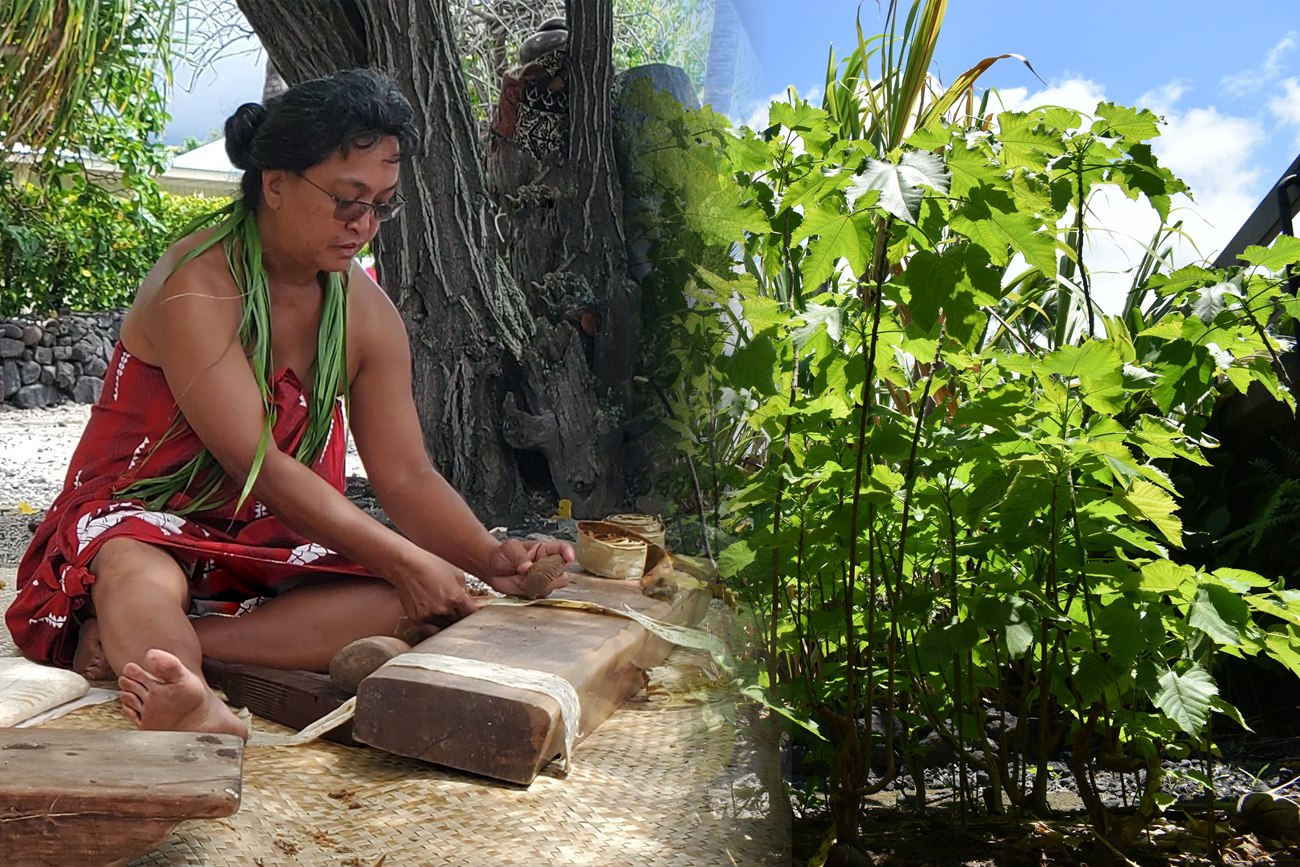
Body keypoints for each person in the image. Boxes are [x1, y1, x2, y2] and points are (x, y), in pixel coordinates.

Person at [4, 69, 573, 739]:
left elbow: (405, 475)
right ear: (274, 182)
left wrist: (486, 556)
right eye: (345, 199)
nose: (363, 225)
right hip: (140, 520)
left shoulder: (367, 313)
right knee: (139, 568)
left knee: (430, 598)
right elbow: (259, 465)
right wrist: (401, 555)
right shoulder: (199, 287)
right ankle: (185, 696)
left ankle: (177, 641)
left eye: (382, 206)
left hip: (266, 544)